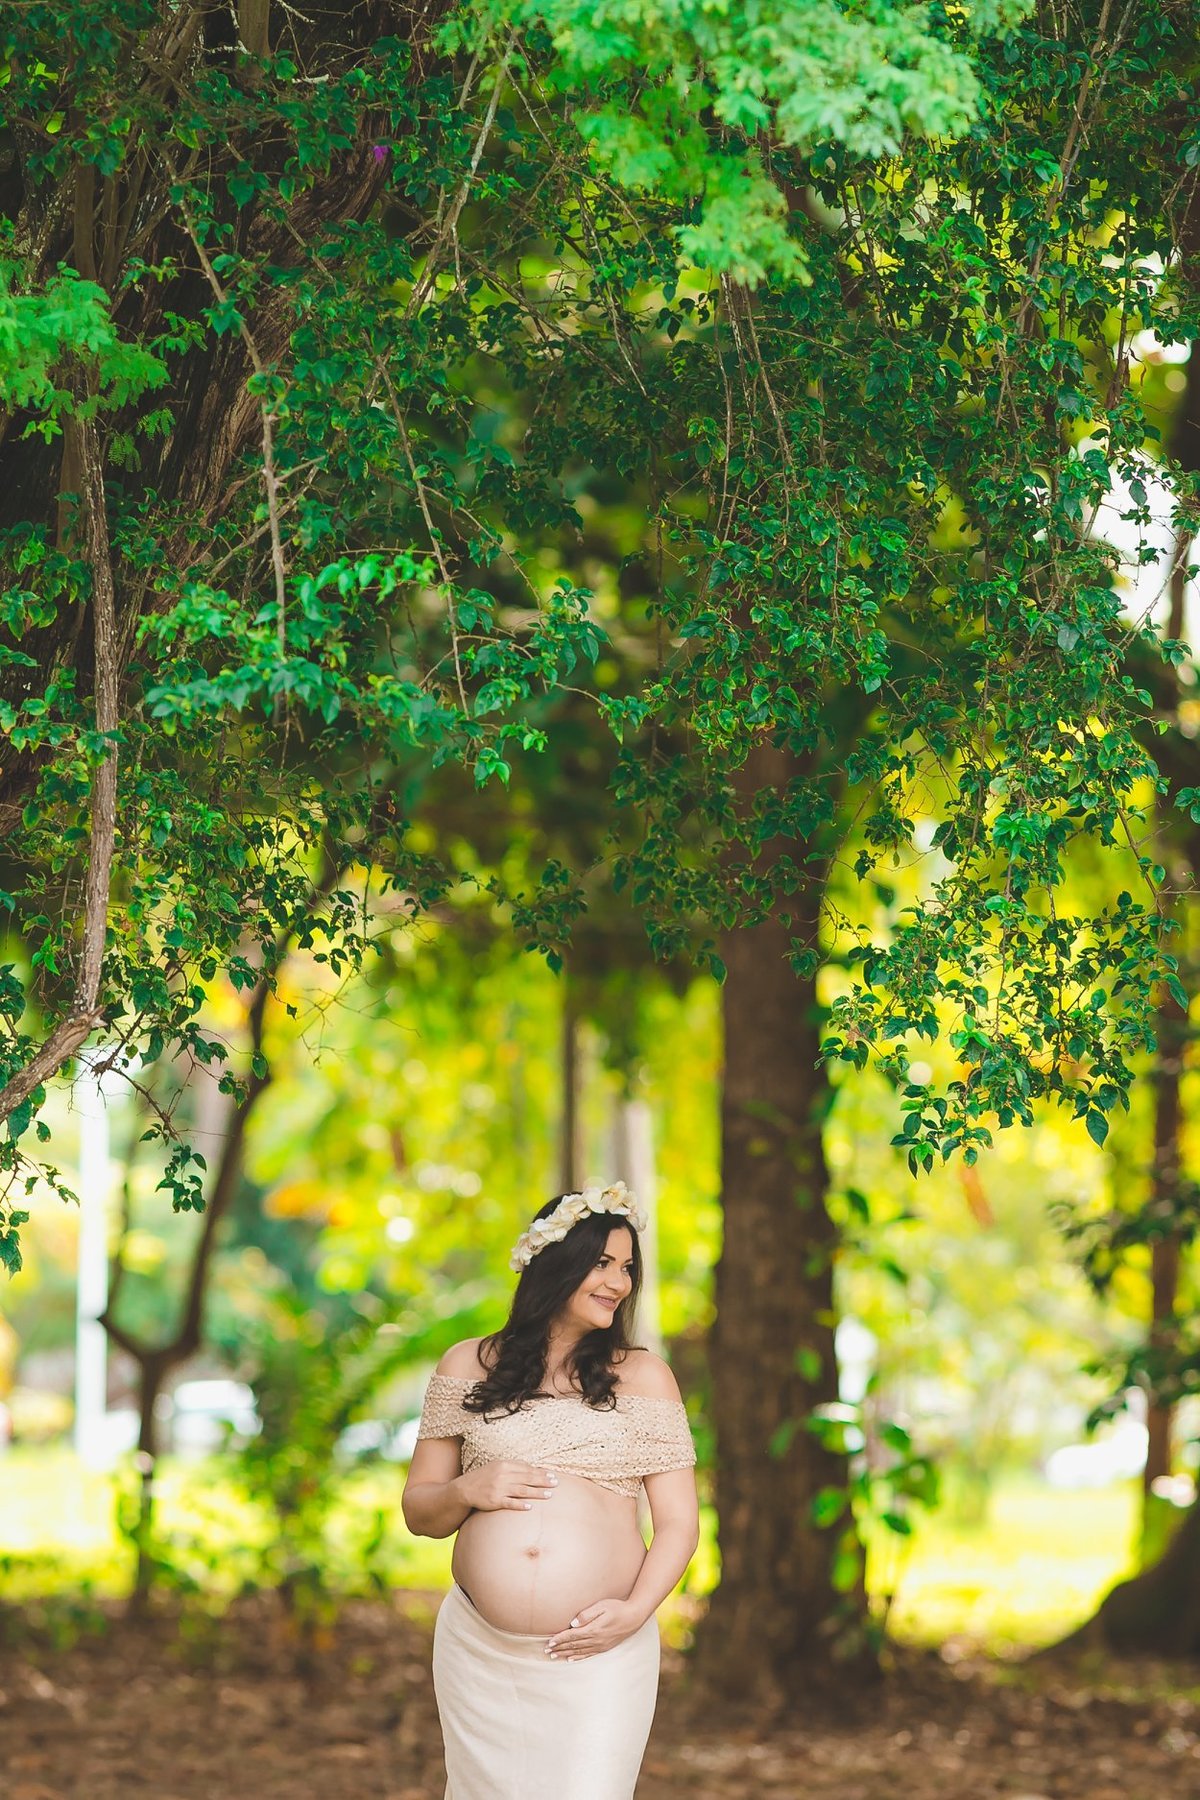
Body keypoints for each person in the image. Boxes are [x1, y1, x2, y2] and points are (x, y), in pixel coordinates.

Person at [401, 1181, 700, 1800]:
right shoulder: (466, 1365)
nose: (619, 1283)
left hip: (599, 1655)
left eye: (627, 1268)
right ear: (555, 1263)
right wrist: (467, 1489)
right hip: (479, 1652)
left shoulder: (645, 1377)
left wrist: (635, 1612)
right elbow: (419, 1511)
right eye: (602, 1263)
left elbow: (679, 1525)